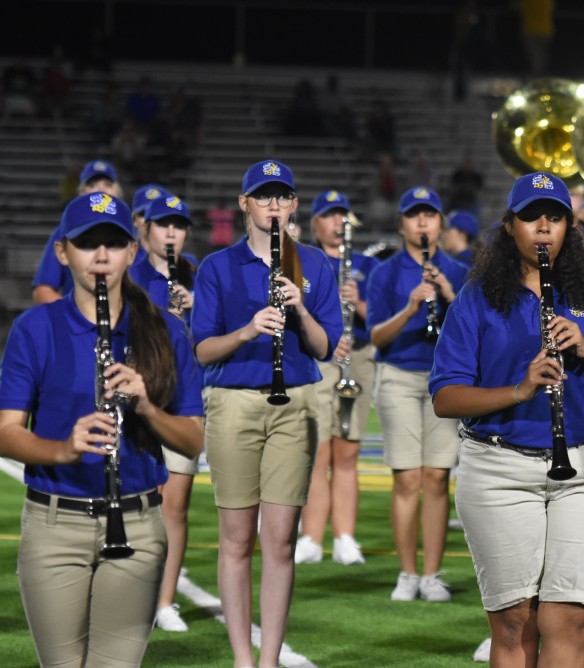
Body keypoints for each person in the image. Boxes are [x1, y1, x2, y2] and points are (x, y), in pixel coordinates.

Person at [430, 171, 584, 666]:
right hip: (498, 470)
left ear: (569, 228)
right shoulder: (478, 297)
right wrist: (520, 389)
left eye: (555, 217)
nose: (544, 227)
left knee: (567, 622)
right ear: (510, 227)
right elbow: (446, 397)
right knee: (514, 624)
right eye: (531, 217)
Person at [0, 192, 204, 667]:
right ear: (62, 252)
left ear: (131, 251)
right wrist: (63, 449)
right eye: (87, 244)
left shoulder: (166, 331)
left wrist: (149, 409)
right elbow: (7, 431)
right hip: (54, 525)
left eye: (113, 244)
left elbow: (194, 441)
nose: (101, 256)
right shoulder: (35, 328)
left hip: (135, 524)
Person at [190, 160, 343, 668]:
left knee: (278, 543)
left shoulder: (316, 265)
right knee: (237, 540)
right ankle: (241, 658)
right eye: (263, 196)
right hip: (232, 401)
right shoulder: (216, 266)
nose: (273, 205)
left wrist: (299, 309)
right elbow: (202, 351)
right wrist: (248, 331)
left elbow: (324, 350)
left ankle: (270, 658)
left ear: (295, 205)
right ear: (245, 204)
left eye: (282, 197)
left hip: (295, 400)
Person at [367, 186, 469, 602]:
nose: (423, 223)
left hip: (444, 379)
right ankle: (407, 572)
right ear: (402, 224)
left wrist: (448, 294)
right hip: (398, 377)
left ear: (441, 223)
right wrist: (411, 308)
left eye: (430, 215)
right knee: (407, 478)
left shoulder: (459, 272)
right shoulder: (384, 273)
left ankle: (432, 574)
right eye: (414, 216)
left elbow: (476, 331)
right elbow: (375, 336)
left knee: (437, 477)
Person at [296, 189, 381, 565]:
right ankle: (312, 538)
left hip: (357, 359)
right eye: (329, 215)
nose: (337, 222)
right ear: (315, 223)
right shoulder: (305, 260)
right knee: (317, 452)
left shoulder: (366, 263)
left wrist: (358, 300)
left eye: (342, 215)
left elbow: (381, 321)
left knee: (348, 451)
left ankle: (345, 537)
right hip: (319, 360)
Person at [128, 194, 200, 632]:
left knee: (175, 506)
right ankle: (133, 591)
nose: (171, 233)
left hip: (182, 401)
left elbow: (214, 335)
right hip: (138, 401)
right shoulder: (129, 274)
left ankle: (165, 601)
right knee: (138, 503)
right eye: (162, 225)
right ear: (145, 229)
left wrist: (193, 311)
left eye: (178, 225)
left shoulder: (195, 275)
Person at [33, 160, 124, 304]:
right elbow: (43, 290)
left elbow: (159, 284)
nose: (101, 190)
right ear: (81, 193)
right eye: (92, 185)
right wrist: (75, 318)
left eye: (107, 184)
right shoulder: (64, 232)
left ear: (118, 192)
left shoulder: (135, 232)